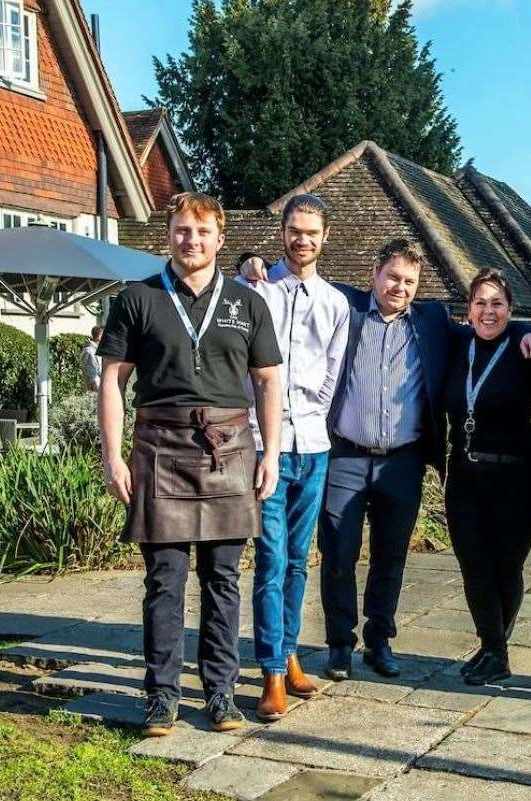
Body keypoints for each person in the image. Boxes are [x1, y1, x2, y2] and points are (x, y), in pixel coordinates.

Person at [238, 240, 531, 680]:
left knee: (391, 555)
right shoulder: (346, 304)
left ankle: (379, 640)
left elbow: (488, 324)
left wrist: (526, 328)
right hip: (345, 455)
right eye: (393, 277)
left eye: (409, 281)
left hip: (402, 461)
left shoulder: (433, 320)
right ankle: (340, 644)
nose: (400, 287)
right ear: (375, 273)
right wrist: (251, 262)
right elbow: (297, 275)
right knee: (338, 553)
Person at [96, 192, 284, 736]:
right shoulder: (137, 298)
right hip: (160, 448)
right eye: (182, 230)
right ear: (168, 236)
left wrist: (270, 453)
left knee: (224, 579)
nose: (191, 240)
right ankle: (161, 697)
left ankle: (221, 694)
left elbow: (268, 380)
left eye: (202, 232)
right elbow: (113, 380)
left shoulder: (248, 303)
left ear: (220, 239)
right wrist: (113, 455)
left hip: (230, 450)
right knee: (165, 580)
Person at [235, 194, 350, 721]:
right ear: (281, 232)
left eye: (312, 232)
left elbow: (332, 373)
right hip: (265, 446)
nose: (302, 239)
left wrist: (310, 420)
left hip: (314, 447)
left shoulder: (335, 303)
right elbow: (243, 364)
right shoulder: (254, 290)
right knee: (272, 560)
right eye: (294, 230)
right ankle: (272, 674)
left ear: (325, 238)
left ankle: (291, 652)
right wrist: (268, 428)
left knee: (301, 560)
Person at [443, 268, 531, 686]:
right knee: (474, 567)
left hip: (517, 478)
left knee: (506, 567)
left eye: (498, 304)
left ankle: (493, 650)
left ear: (510, 309)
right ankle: (494, 650)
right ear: (468, 309)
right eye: (480, 303)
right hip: (465, 475)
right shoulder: (456, 344)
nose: (489, 311)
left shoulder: (526, 347)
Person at [82, 326, 104, 391]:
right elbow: (92, 377)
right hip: (96, 392)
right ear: (99, 336)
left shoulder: (98, 349)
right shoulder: (89, 351)